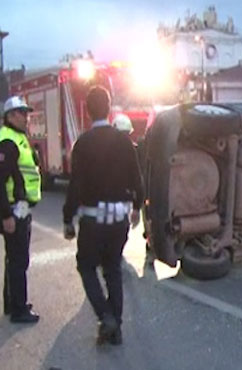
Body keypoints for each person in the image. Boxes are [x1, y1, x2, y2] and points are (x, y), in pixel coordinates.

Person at [62, 86, 144, 345]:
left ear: (87, 111)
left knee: (86, 266)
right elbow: (137, 178)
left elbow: (75, 185)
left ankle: (106, 316)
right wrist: (136, 207)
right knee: (113, 270)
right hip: (119, 220)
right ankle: (115, 329)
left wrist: (68, 219)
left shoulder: (82, 144)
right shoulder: (124, 141)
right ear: (109, 108)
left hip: (93, 220)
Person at [0, 96, 42, 323]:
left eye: (26, 113)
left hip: (19, 207)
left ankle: (11, 303)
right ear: (9, 116)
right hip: (14, 209)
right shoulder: (8, 141)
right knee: (18, 260)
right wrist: (6, 215)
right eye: (21, 113)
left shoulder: (16, 138)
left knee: (13, 259)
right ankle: (19, 310)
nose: (26, 117)